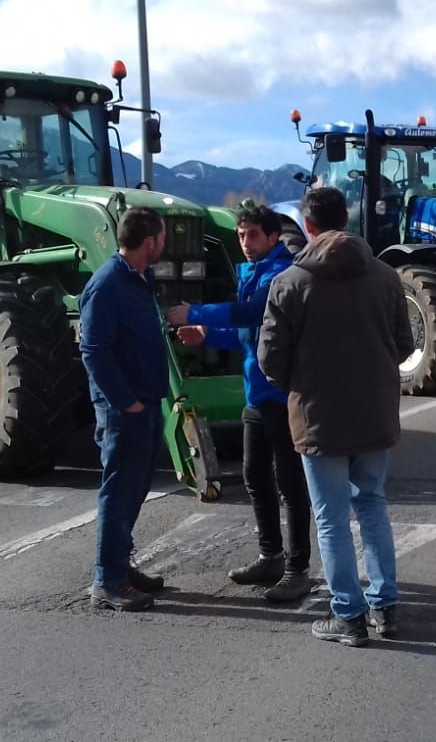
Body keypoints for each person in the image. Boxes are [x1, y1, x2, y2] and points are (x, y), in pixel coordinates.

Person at [258, 187, 413, 647]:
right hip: (373, 411)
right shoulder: (385, 277)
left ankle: (348, 616)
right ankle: (386, 607)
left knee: (329, 518)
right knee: (372, 505)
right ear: (345, 219)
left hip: (318, 414)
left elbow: (270, 358)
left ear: (307, 226)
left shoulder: (289, 283)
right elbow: (404, 344)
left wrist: (299, 384)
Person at [168, 204, 312, 603]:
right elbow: (253, 335)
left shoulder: (279, 274)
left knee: (290, 482)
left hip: (280, 395)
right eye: (241, 235)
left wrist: (194, 312)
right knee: (254, 475)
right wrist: (206, 335)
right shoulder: (251, 271)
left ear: (271, 236)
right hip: (257, 391)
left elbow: (254, 312)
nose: (244, 243)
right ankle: (271, 555)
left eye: (252, 235)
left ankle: (298, 569)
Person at [78, 206, 170, 612]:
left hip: (145, 401)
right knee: (118, 491)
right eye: (162, 237)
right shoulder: (108, 283)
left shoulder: (140, 280)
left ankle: (121, 563)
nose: (164, 244)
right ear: (149, 241)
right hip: (124, 409)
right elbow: (93, 350)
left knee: (135, 489)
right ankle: (108, 580)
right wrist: (126, 400)